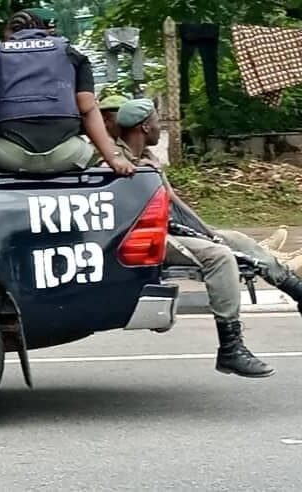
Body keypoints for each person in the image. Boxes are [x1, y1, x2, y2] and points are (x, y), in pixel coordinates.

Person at [116, 98, 302, 377]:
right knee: (219, 257)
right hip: (141, 237)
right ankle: (230, 348)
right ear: (144, 126)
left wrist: (208, 232)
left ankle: (298, 292)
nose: (159, 126)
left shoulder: (149, 160)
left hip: (168, 230)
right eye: (156, 121)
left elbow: (175, 203)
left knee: (236, 240)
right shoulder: (116, 160)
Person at [0, 10, 134, 176]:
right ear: (44, 31)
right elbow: (86, 108)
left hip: (6, 157)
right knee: (89, 149)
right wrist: (114, 157)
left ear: (9, 32)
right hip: (67, 155)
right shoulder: (70, 52)